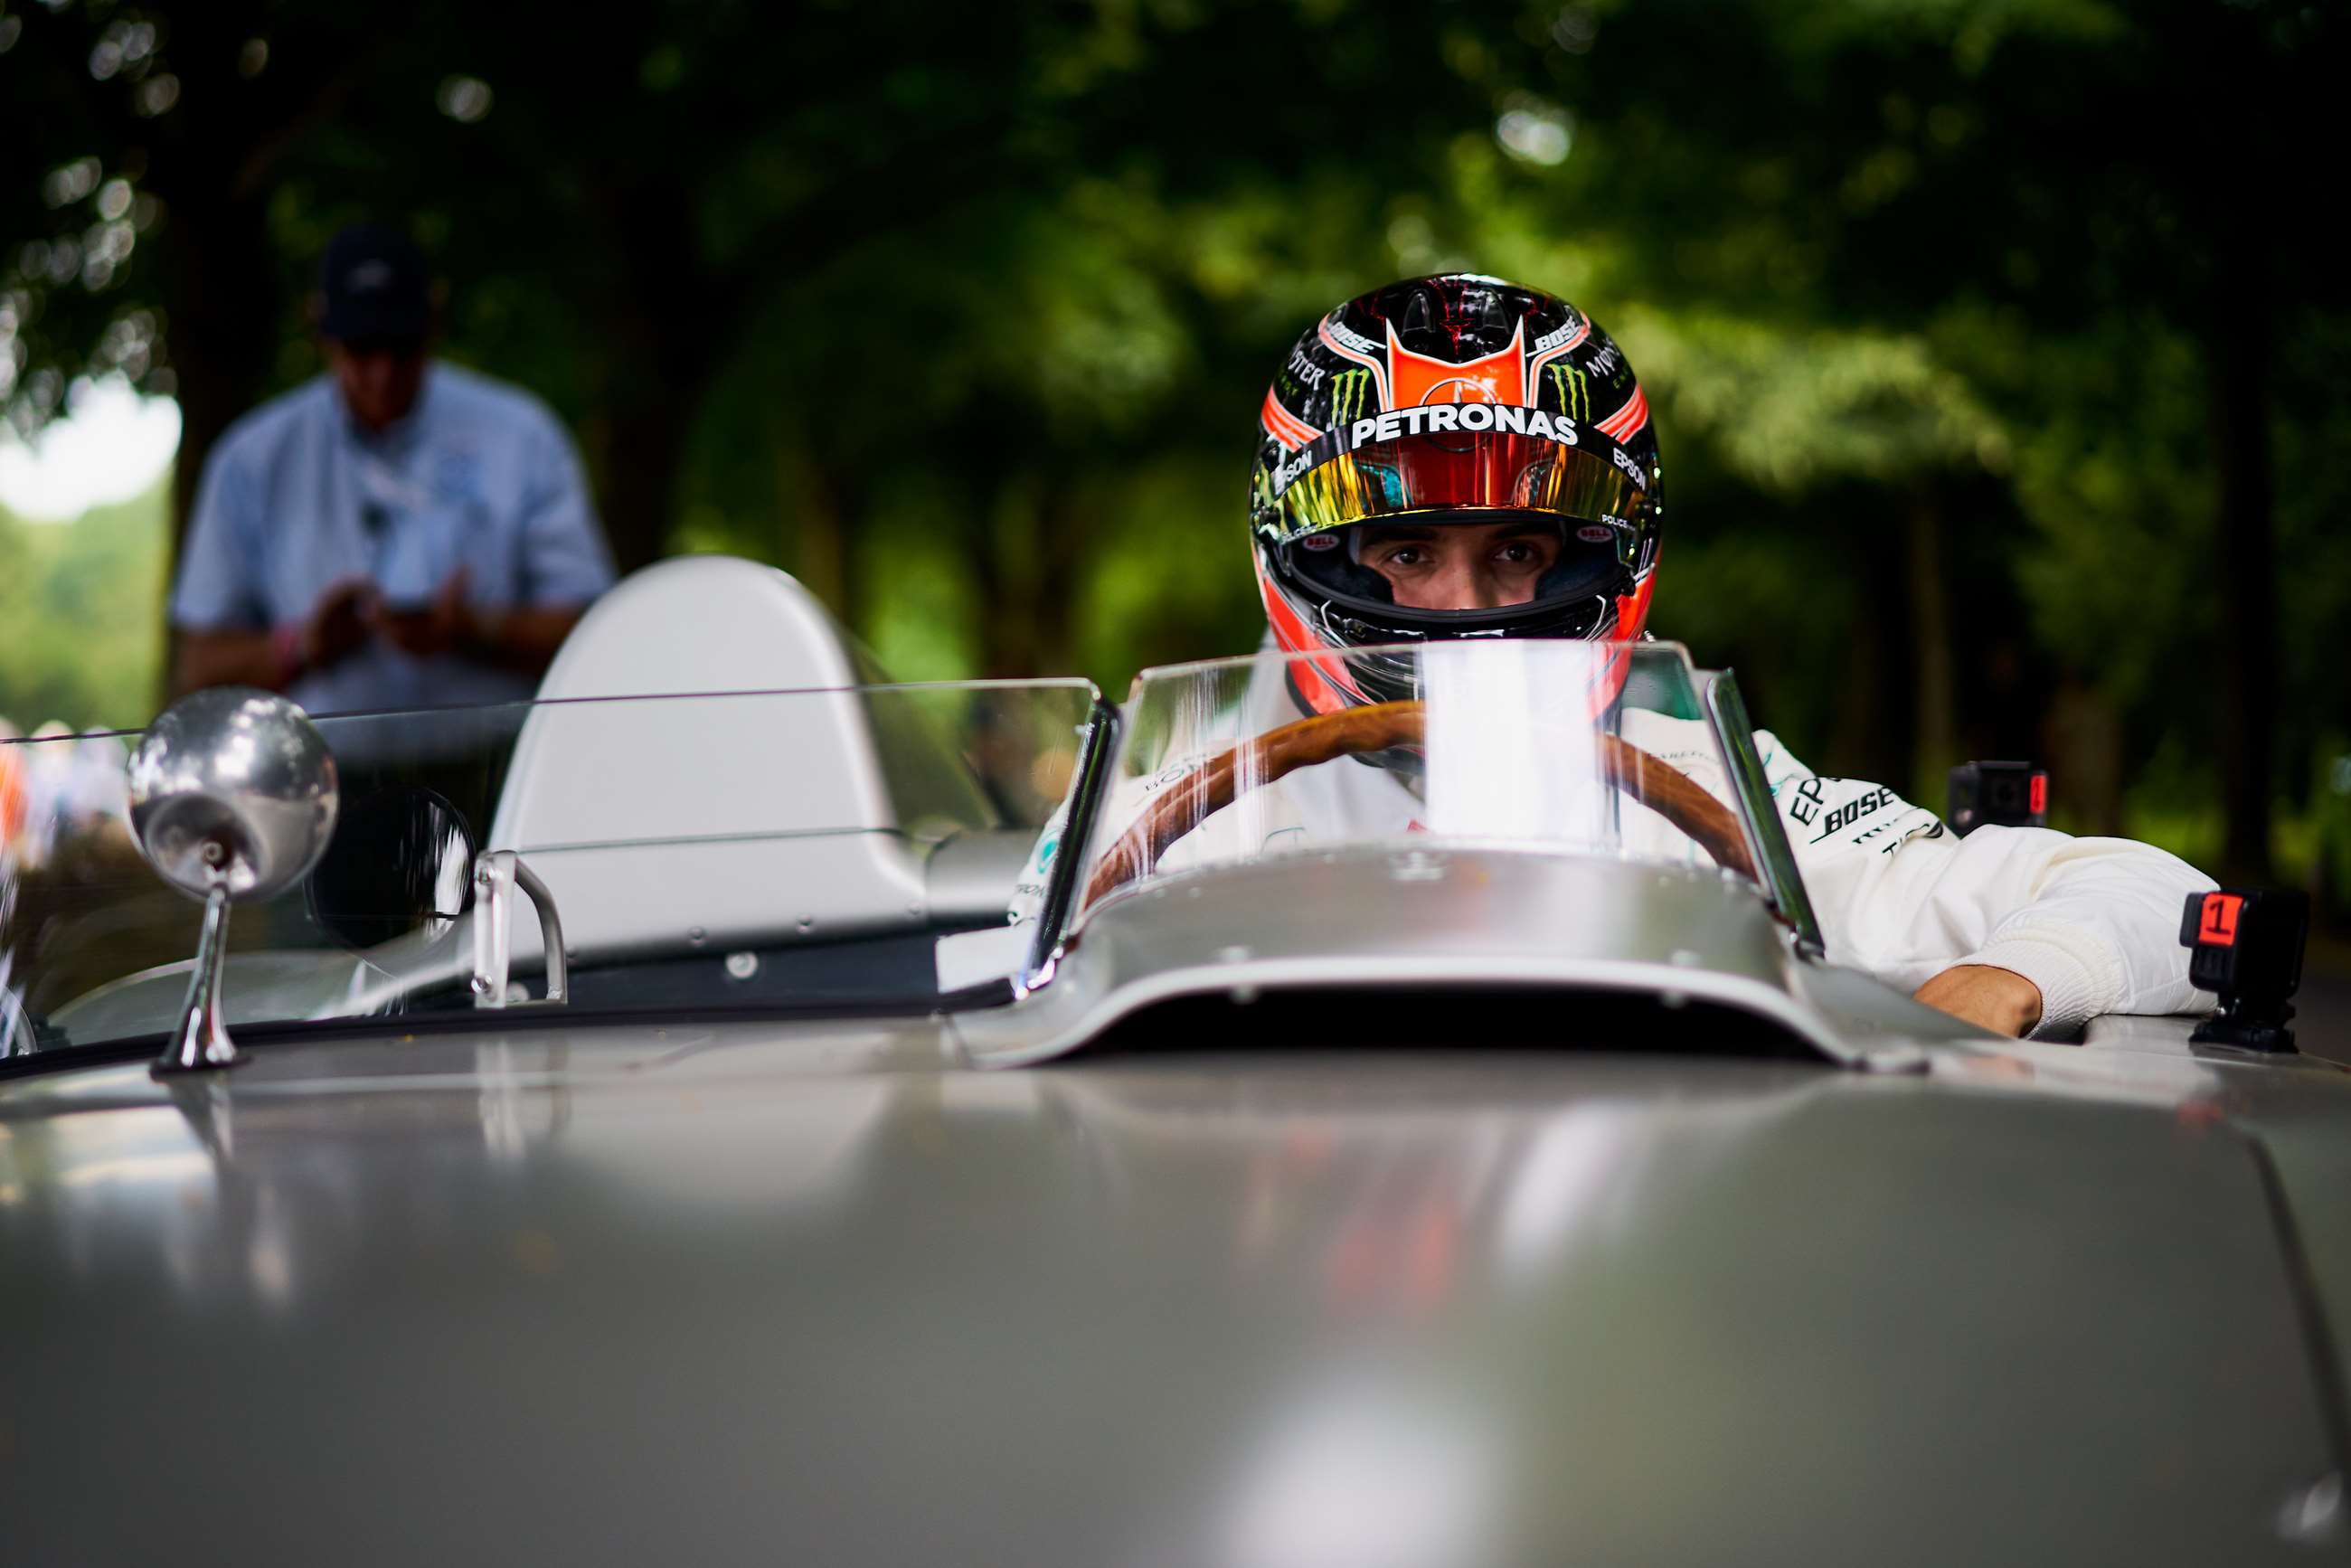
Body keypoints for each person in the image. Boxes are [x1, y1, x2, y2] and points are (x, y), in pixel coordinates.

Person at [1110, 274, 2213, 1041]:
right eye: (1406, 551)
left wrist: (2008, 975)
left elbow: (2162, 896)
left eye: (1517, 551)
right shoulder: (1171, 809)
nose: (1463, 603)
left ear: (1601, 557)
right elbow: (1018, 984)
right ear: (1307, 558)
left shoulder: (1710, 787)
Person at [168, 223, 614, 714]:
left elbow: (595, 633)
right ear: (319, 328)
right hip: (317, 762)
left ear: (434, 321)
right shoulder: (252, 458)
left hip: (495, 758)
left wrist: (479, 629)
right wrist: (301, 645)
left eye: (402, 346)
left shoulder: (522, 436)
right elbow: (198, 667)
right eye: (361, 348)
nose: (383, 375)